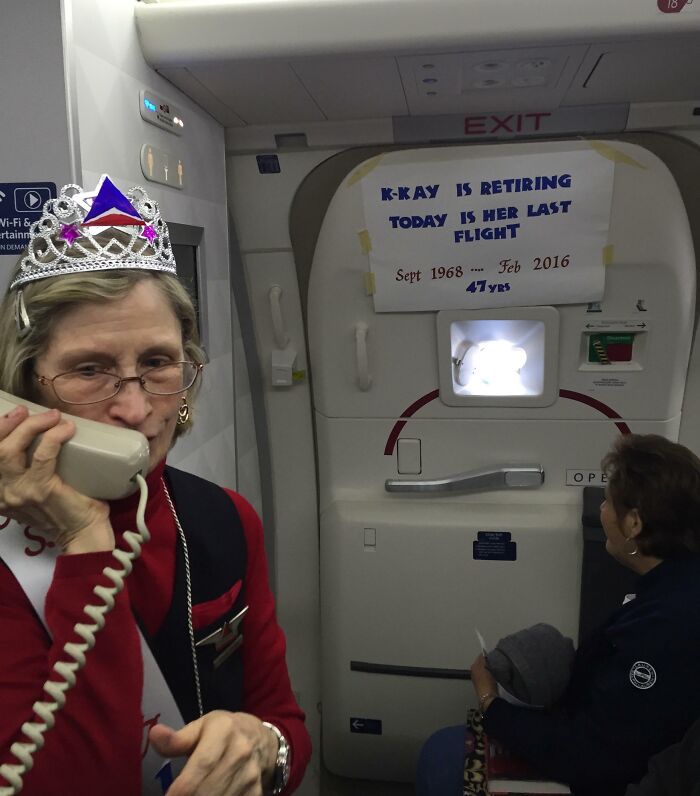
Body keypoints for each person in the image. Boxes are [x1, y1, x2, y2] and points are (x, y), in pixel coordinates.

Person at [0, 176, 311, 795]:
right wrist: (85, 540)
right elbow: (74, 782)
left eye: (157, 363)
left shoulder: (223, 517)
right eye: (90, 370)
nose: (137, 409)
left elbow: (286, 726)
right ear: (25, 387)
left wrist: (263, 750)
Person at [418, 433, 700, 796]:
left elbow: (593, 756)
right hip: (606, 748)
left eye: (609, 502)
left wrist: (491, 704)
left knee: (440, 759)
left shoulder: (664, 629)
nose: (601, 511)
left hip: (613, 777)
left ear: (634, 525)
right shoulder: (676, 583)